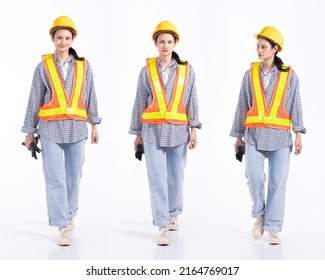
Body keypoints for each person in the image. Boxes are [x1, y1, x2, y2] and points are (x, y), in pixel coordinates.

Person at [21, 15, 101, 246]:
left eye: (67, 38)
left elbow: (91, 95)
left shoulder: (84, 66)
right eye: (59, 38)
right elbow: (34, 98)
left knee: (73, 176)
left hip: (77, 128)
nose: (63, 42)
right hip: (50, 130)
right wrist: (29, 131)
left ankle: (69, 213)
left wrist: (94, 123)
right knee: (54, 178)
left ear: (73, 39)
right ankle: (62, 225)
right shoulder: (43, 67)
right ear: (53, 39)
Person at [230, 26, 306, 245]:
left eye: (264, 47)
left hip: (281, 137)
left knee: (277, 183)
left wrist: (298, 133)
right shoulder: (250, 74)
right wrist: (238, 136)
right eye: (258, 46)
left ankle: (273, 227)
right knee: (254, 177)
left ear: (275, 49)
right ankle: (260, 214)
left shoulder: (289, 75)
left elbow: (296, 105)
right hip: (253, 135)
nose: (259, 50)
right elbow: (242, 105)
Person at [129, 20, 201, 246]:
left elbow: (192, 99)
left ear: (175, 43)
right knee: (157, 179)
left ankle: (173, 213)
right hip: (152, 132)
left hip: (179, 131)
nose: (166, 45)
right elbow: (140, 101)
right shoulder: (146, 70)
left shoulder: (187, 70)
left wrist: (194, 128)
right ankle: (162, 225)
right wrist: (137, 134)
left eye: (170, 42)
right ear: (155, 43)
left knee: (176, 177)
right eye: (162, 41)